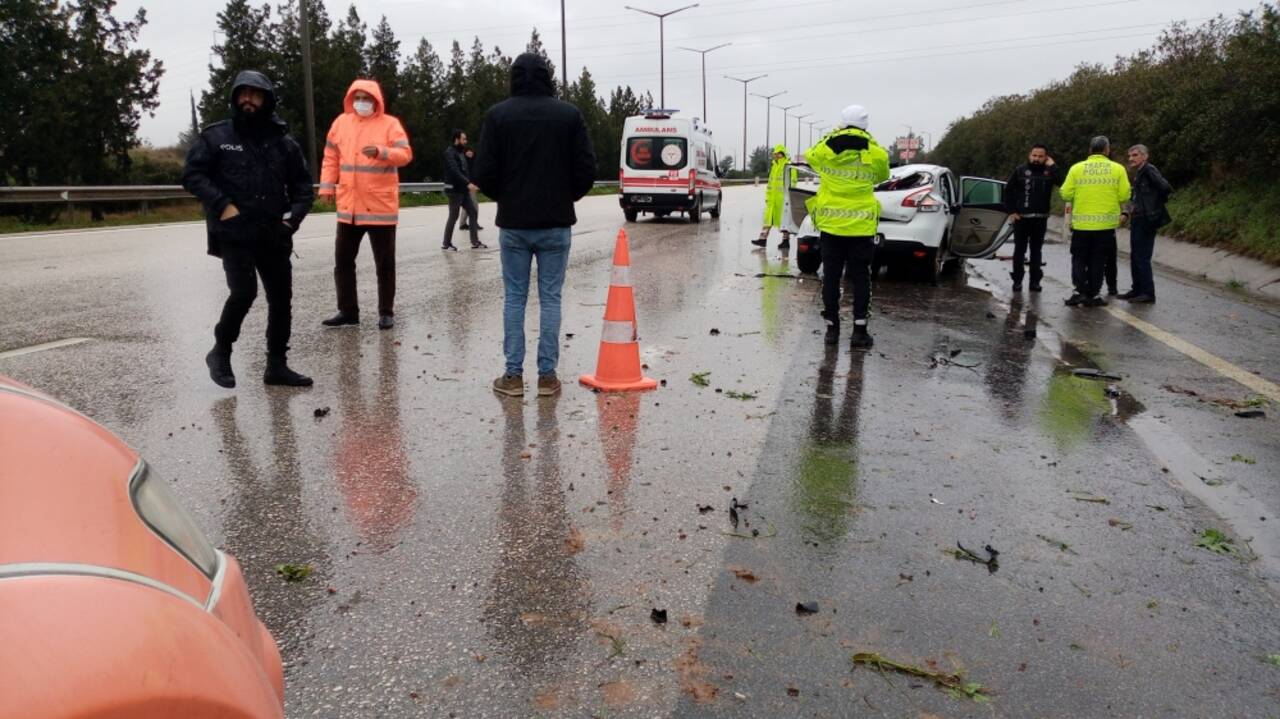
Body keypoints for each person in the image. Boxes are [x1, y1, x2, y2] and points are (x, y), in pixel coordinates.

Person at [472, 52, 596, 398]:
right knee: (551, 298)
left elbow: (482, 172)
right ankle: (547, 377)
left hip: (514, 223)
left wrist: (507, 198)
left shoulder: (498, 115)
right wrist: (565, 196)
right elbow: (587, 167)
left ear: (513, 77)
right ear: (548, 77)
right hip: (556, 222)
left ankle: (512, 377)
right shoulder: (568, 115)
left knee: (514, 298)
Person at [183, 70, 314, 389]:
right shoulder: (216, 137)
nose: (248, 100)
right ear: (234, 97)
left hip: (274, 233)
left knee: (281, 299)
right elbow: (193, 175)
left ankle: (277, 366)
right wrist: (223, 205)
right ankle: (221, 351)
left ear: (267, 100)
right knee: (244, 293)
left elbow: (303, 189)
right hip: (235, 233)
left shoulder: (284, 144)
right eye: (242, 93)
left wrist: (290, 221)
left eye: (255, 95)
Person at [316, 79, 412, 330]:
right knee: (343, 262)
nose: (362, 102)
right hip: (349, 207)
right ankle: (348, 311)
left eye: (367, 98)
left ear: (376, 100)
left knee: (385, 264)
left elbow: (405, 155)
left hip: (380, 206)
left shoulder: (390, 124)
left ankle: (386, 312)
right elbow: (330, 157)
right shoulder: (340, 123)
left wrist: (382, 152)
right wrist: (326, 186)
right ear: (350, 98)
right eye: (357, 97)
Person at [804, 104, 890, 348]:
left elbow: (811, 156)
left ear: (841, 123)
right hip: (861, 228)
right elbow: (883, 175)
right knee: (861, 278)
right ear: (866, 125)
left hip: (831, 226)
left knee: (831, 277)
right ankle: (859, 332)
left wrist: (832, 135)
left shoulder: (826, 147)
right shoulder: (875, 151)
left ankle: (832, 331)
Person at [1059, 136, 1131, 307]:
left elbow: (1065, 194)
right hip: (1105, 226)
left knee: (1079, 259)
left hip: (1081, 226)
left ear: (1090, 150)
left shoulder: (1076, 169)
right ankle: (1093, 295)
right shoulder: (1118, 169)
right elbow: (1124, 195)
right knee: (1098, 260)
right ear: (1107, 150)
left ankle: (1078, 292)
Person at [1002, 144, 1061, 292]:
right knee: (1019, 251)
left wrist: (1053, 166)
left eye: (1040, 156)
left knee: (1036, 251)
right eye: (1034, 155)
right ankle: (1017, 281)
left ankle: (1035, 282)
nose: (1036, 159)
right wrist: (1012, 211)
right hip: (1021, 219)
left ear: (1046, 157)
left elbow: (1064, 183)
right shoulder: (1020, 171)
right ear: (1030, 155)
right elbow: (1008, 191)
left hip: (1040, 219)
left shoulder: (1050, 172)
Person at [1120, 144, 1172, 303]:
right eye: (1130, 156)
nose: (1131, 159)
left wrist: (1153, 208)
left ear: (1144, 156)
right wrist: (1128, 212)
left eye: (1135, 155)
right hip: (1137, 218)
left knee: (1142, 256)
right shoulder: (1139, 174)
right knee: (1135, 255)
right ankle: (1137, 289)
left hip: (1146, 220)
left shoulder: (1149, 170)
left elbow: (1165, 188)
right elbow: (1136, 197)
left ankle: (1148, 293)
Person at [442, 129, 485, 250]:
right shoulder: (449, 153)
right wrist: (468, 183)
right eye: (464, 139)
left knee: (473, 212)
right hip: (454, 190)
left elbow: (465, 170)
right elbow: (454, 171)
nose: (466, 141)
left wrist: (470, 183)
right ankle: (446, 243)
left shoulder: (460, 152)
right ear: (457, 139)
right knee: (453, 216)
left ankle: (475, 242)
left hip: (463, 189)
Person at [753, 145, 793, 249]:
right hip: (772, 200)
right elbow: (770, 183)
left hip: (783, 199)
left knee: (784, 222)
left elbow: (793, 182)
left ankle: (785, 241)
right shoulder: (774, 166)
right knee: (768, 220)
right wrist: (768, 196)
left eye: (778, 153)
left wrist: (789, 196)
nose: (776, 155)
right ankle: (762, 240)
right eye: (775, 154)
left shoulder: (788, 166)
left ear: (782, 154)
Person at [459, 147, 484, 231]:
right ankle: (474, 224)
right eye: (468, 152)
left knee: (466, 206)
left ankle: (462, 224)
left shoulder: (475, 162)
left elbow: (477, 175)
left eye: (471, 152)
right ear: (465, 153)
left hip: (471, 186)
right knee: (474, 206)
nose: (470, 153)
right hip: (468, 186)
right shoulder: (463, 163)